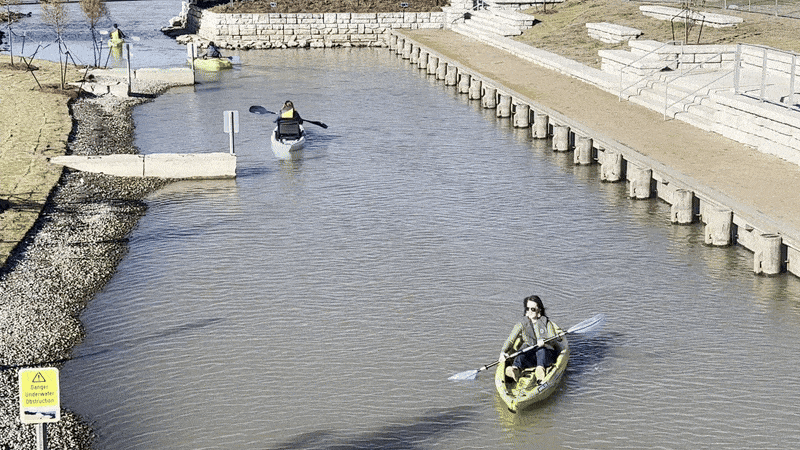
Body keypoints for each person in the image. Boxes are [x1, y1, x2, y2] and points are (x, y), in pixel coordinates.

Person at [499, 295, 563, 384]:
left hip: (546, 356)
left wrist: (545, 342)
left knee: (542, 350)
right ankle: (515, 369)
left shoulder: (546, 323)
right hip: (531, 357)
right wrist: (503, 352)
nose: (529, 311)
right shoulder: (521, 324)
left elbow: (553, 340)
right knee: (523, 349)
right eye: (527, 309)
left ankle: (540, 371)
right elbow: (510, 340)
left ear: (539, 309)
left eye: (532, 309)